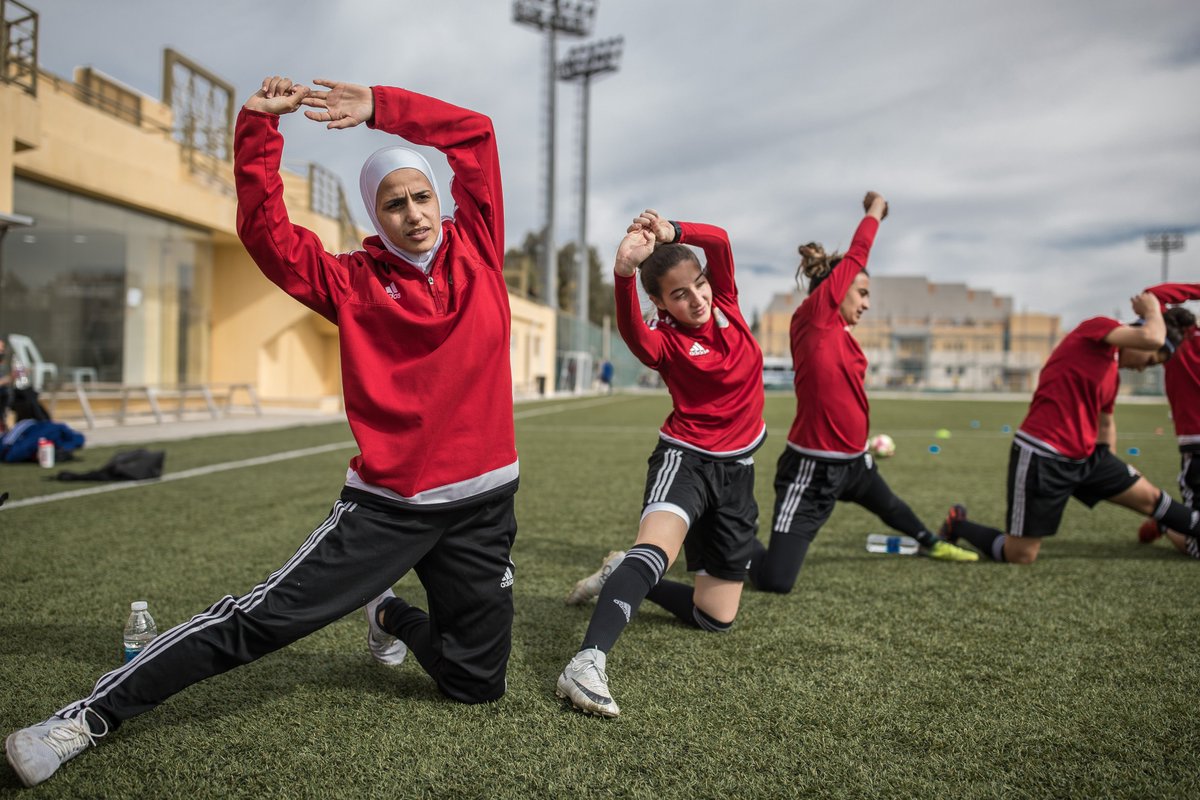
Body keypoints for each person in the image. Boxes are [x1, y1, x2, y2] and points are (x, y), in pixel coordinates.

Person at [5, 75, 519, 787]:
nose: (413, 212)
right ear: (377, 215)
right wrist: (257, 129)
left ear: (441, 200)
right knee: (261, 620)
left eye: (422, 196)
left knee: (476, 685)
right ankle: (84, 718)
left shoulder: (481, 249)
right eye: (394, 203)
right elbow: (266, 234)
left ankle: (390, 614)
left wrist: (382, 109)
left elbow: (477, 135)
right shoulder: (352, 282)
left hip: (485, 503)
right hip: (390, 507)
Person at [556, 209, 766, 718]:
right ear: (659, 302)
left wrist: (673, 232)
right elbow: (632, 333)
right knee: (656, 551)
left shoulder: (730, 305)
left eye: (698, 285)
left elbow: (720, 240)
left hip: (738, 473)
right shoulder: (665, 340)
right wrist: (624, 274)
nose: (696, 299)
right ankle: (587, 662)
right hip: (686, 460)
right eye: (678, 294)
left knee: (715, 617)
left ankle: (617, 573)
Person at [747, 192, 977, 595]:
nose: (867, 303)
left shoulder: (842, 336)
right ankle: (723, 535)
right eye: (862, 293)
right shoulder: (814, 319)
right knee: (775, 581)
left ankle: (932, 543)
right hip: (812, 471)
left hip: (854, 462)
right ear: (836, 291)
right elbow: (856, 254)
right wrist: (875, 211)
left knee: (891, 506)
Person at [939, 292, 1197, 564]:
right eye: (1150, 361)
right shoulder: (1098, 327)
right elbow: (1153, 338)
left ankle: (1187, 527)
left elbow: (1106, 422)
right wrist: (1153, 309)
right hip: (1043, 454)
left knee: (1151, 499)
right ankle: (958, 525)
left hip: (1086, 459)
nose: (1144, 369)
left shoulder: (1112, 374)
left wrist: (1111, 471)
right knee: (1020, 555)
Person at [1136, 283, 1200, 559]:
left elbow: (1151, 296)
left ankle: (1169, 519)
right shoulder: (1178, 344)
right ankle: (1169, 521)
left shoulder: (1176, 344)